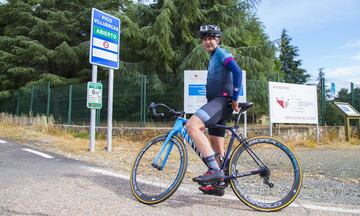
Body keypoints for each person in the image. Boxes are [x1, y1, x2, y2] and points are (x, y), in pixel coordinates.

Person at [186, 24, 243, 196]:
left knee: (192, 126)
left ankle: (214, 171)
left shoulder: (221, 53)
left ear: (217, 40)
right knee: (217, 149)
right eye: (204, 39)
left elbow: (237, 72)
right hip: (217, 104)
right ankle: (218, 184)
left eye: (211, 38)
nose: (207, 42)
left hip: (221, 102)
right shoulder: (212, 58)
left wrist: (234, 99)